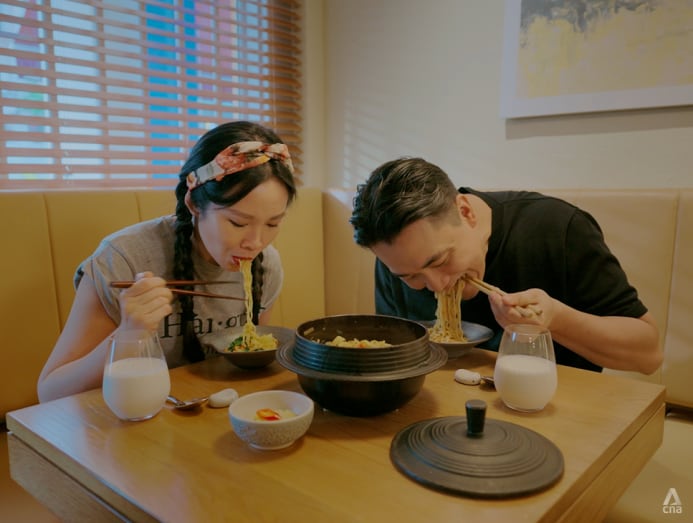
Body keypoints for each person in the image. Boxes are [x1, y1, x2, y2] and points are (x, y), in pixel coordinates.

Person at [38, 121, 297, 402]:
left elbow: (252, 364)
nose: (256, 243)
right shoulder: (124, 258)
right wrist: (129, 333)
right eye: (238, 222)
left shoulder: (266, 265)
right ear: (194, 204)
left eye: (272, 224)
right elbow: (51, 391)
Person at [349, 157, 662, 373]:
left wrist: (555, 319)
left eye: (441, 261)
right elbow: (400, 358)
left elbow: (648, 355)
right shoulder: (398, 259)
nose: (436, 286)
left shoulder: (557, 228)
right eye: (411, 277)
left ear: (465, 212)